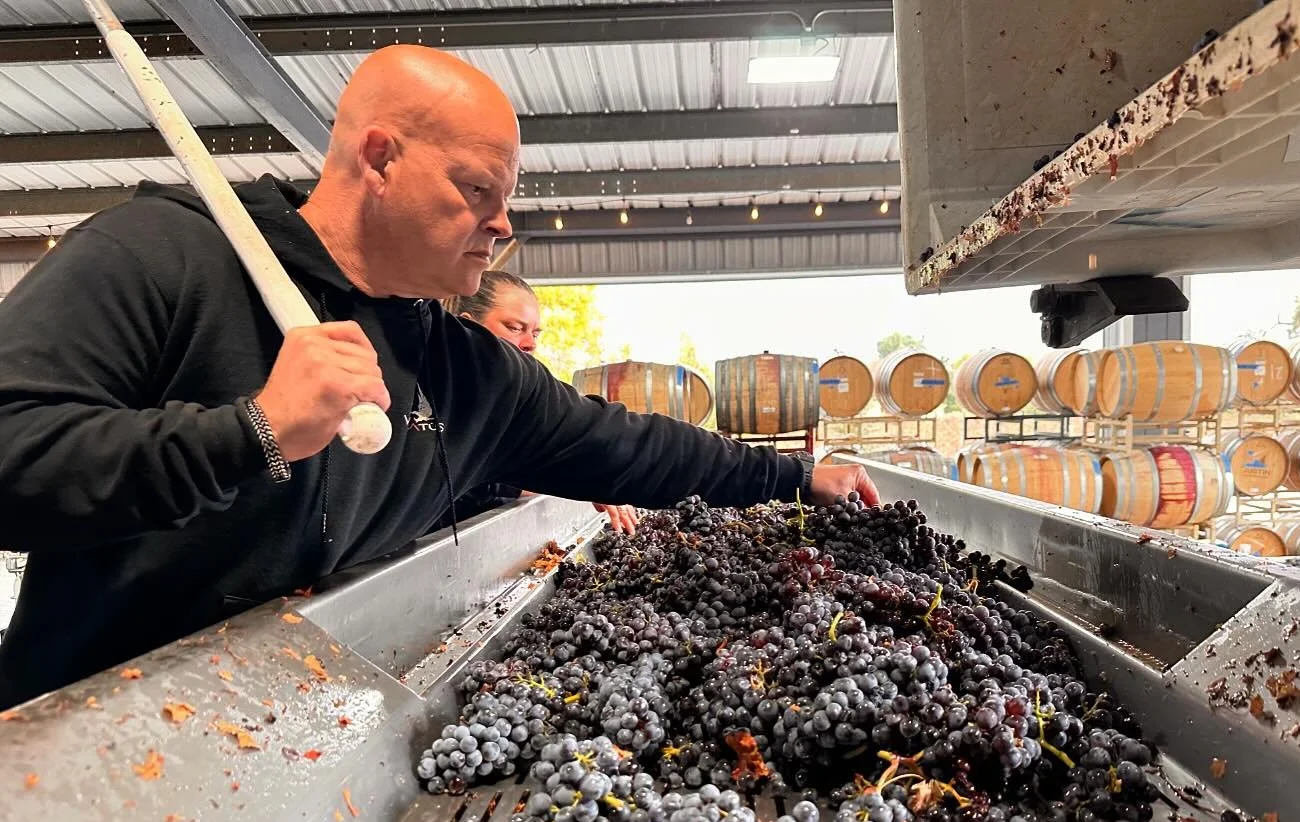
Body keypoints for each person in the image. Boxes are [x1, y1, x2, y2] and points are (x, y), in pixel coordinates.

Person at [0, 44, 876, 709]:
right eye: (478, 191)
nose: (503, 227)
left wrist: (798, 478)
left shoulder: (464, 369)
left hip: (285, 733)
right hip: (82, 744)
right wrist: (250, 434)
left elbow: (631, 447)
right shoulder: (165, 257)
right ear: (379, 159)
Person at [451, 271, 639, 534]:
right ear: (467, 327)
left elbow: (520, 468)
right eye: (515, 328)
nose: (530, 344)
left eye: (536, 333)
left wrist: (590, 477)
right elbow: (471, 484)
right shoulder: (439, 400)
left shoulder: (511, 401)